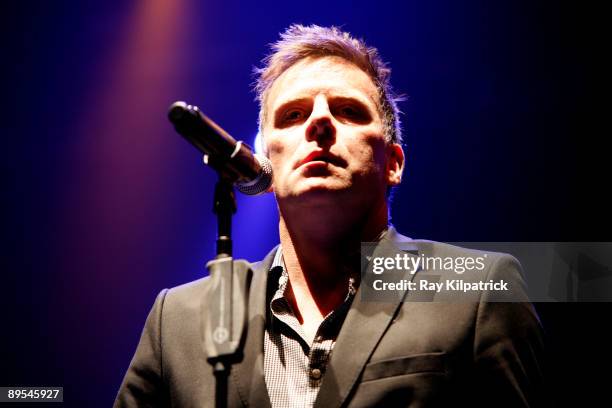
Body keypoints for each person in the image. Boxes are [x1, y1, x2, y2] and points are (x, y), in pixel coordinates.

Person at [115, 25, 545, 407]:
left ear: (393, 163)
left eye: (348, 110)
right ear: (265, 161)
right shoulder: (179, 319)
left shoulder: (477, 289)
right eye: (294, 115)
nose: (319, 121)